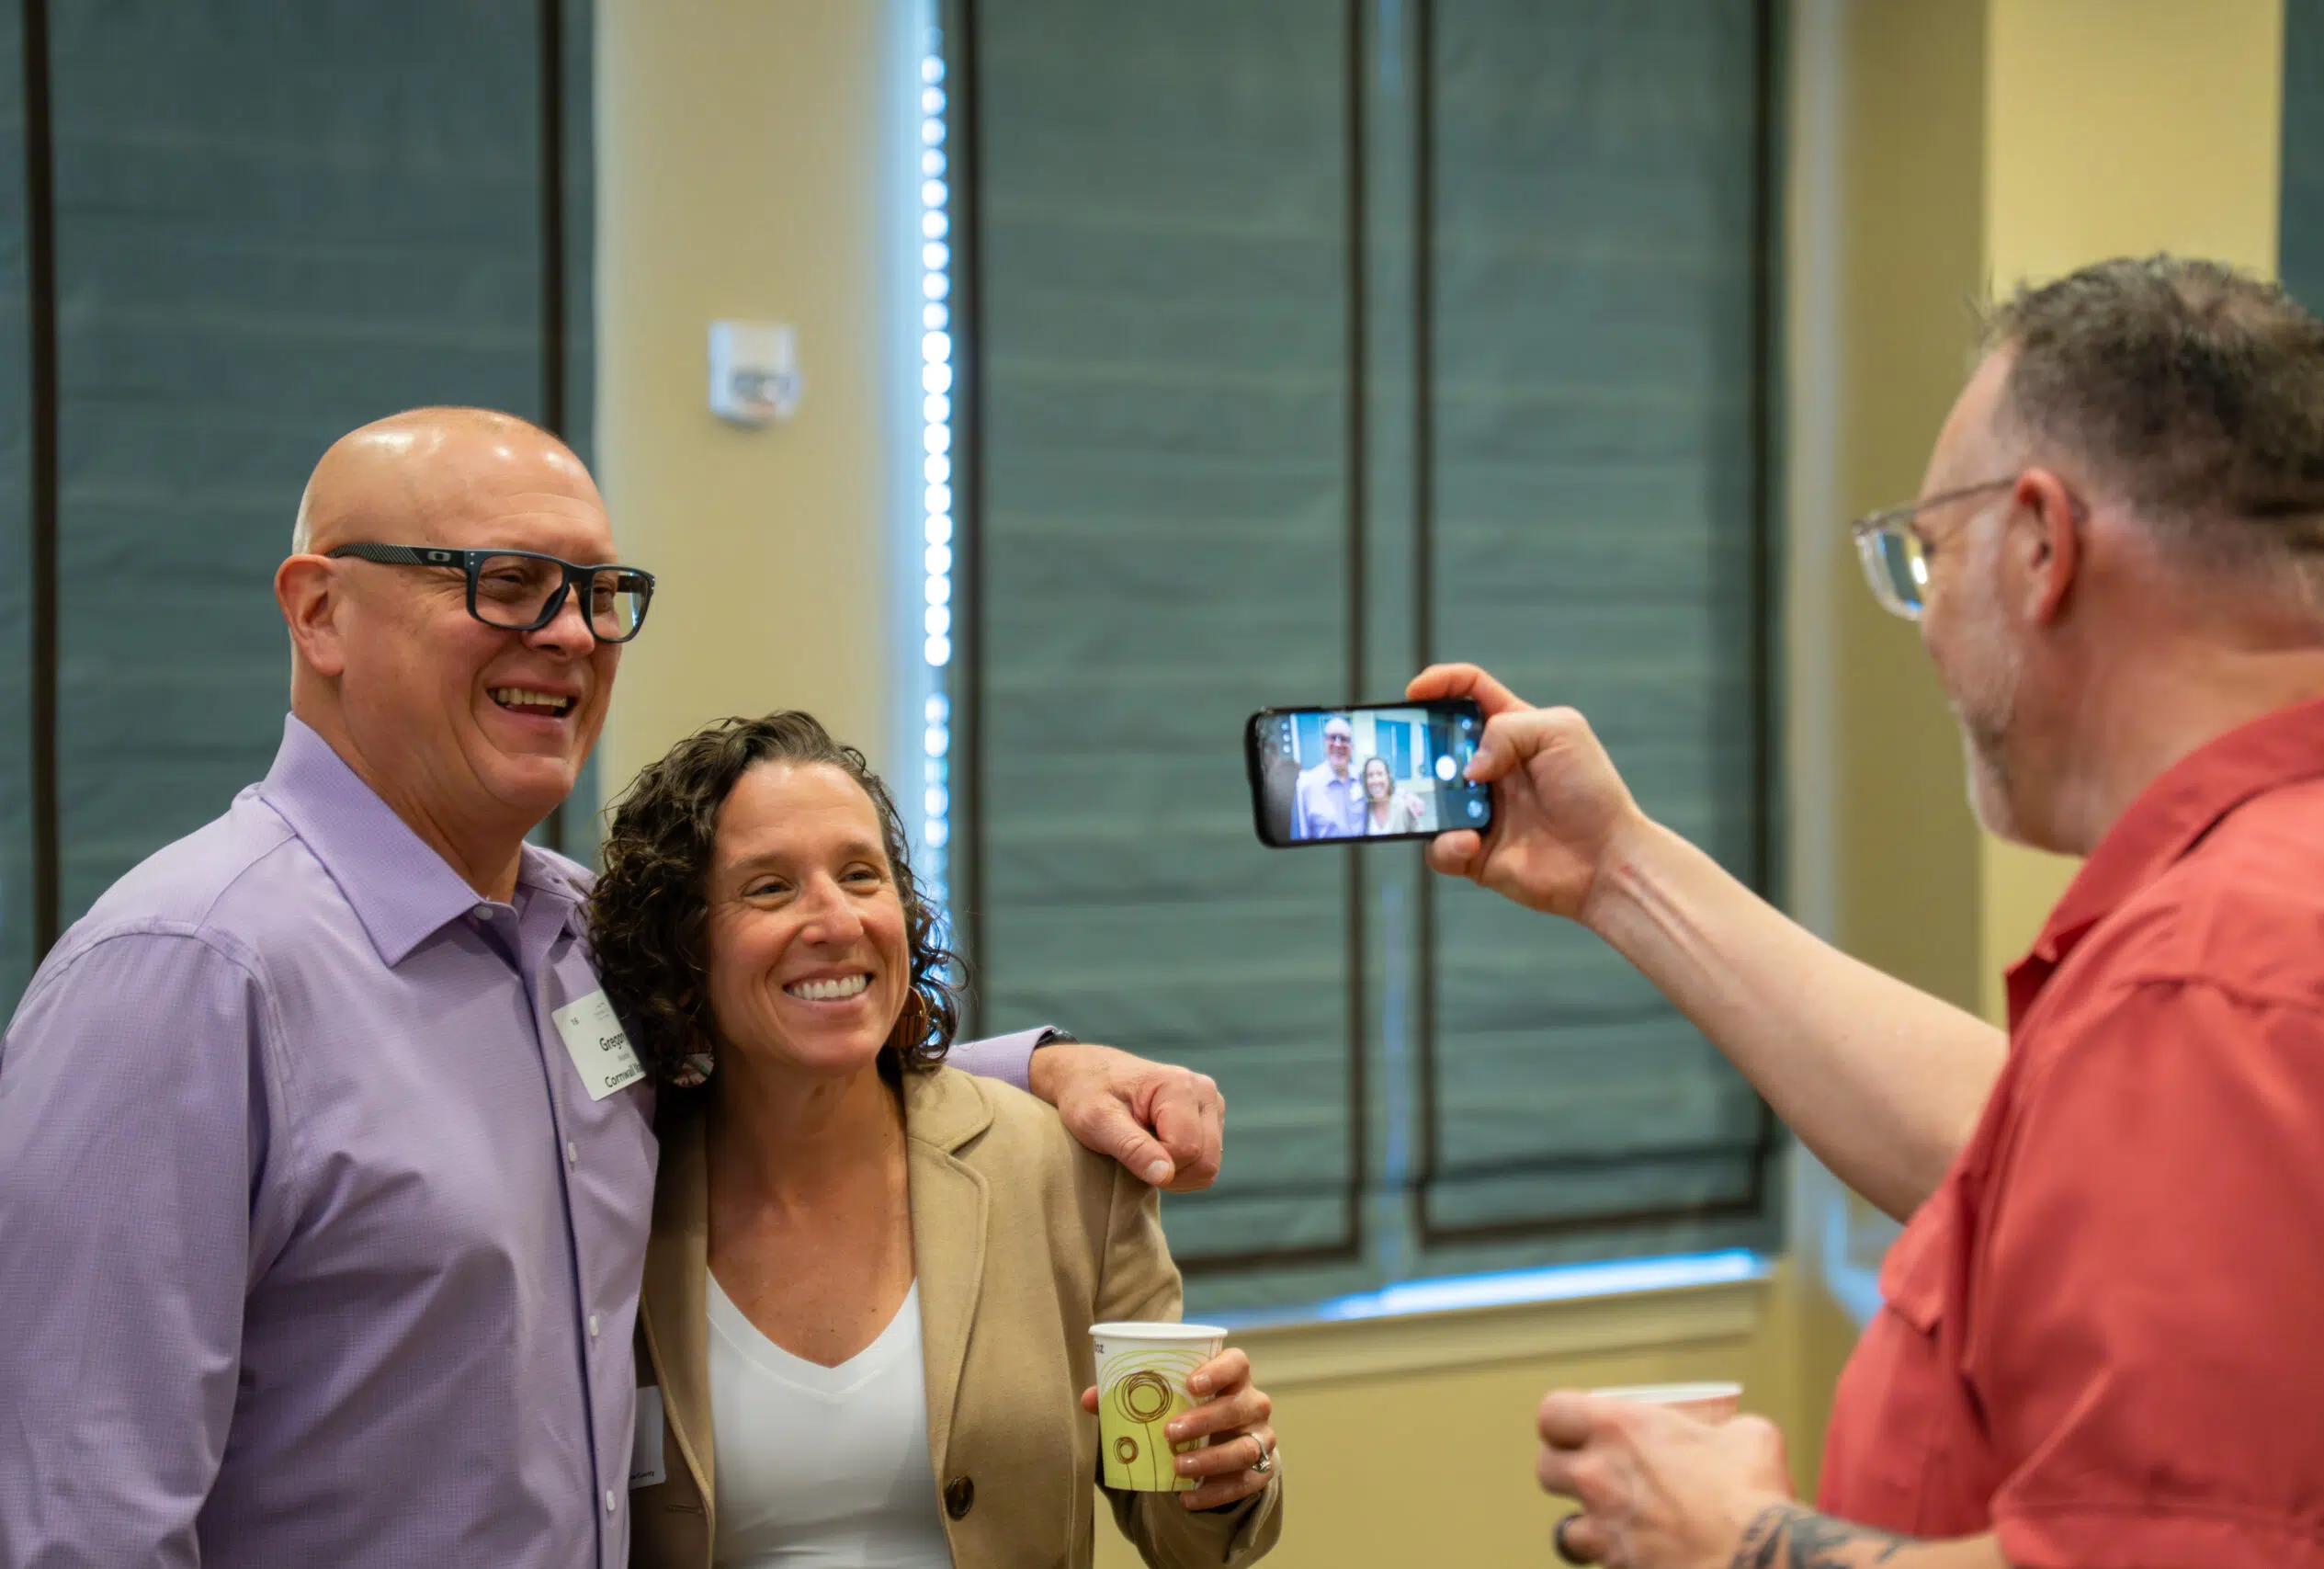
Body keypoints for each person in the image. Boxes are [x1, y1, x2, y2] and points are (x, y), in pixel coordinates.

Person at [0, 408, 1230, 1569]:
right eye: (503, 581)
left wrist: (1041, 1066)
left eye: (599, 594)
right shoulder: (185, 977)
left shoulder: (579, 936)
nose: (574, 635)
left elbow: (788, 1049)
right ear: (320, 611)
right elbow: (81, 1511)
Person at [1418, 257, 2324, 1568]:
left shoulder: (2209, 982)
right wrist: (1617, 866)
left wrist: (1734, 1539)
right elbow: (2015, 1147)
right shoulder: (2293, 903)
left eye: (1927, 553)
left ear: (2041, 544)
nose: (1921, 624)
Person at [592, 712, 1283, 1568]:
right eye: (770, 887)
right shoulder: (614, 1197)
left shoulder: (1061, 1172)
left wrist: (1226, 1463)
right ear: (684, 950)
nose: (836, 919)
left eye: (860, 874)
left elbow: (1192, 1540)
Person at [1290, 714, 1365, 839]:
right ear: (1325, 743)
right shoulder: (1306, 784)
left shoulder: (1363, 777)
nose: (1338, 744)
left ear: (1352, 747)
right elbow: (1300, 837)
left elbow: (1387, 792)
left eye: (1344, 739)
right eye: (1332, 738)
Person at [1360, 755, 1428, 836]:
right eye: (1370, 775)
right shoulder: (1364, 810)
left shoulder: (1404, 807)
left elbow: (1421, 841)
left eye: (1380, 774)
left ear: (1388, 778)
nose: (1375, 780)